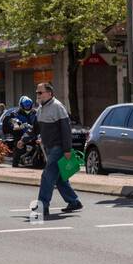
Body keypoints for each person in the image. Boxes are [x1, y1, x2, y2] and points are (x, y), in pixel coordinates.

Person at [34, 82, 81, 218]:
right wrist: (23, 140)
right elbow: (36, 129)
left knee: (47, 176)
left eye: (40, 92)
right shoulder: (40, 109)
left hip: (58, 148)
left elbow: (66, 130)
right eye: (37, 92)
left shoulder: (58, 107)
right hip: (49, 147)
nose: (38, 95)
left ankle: (43, 206)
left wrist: (67, 149)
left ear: (49, 93)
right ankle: (74, 201)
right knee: (59, 178)